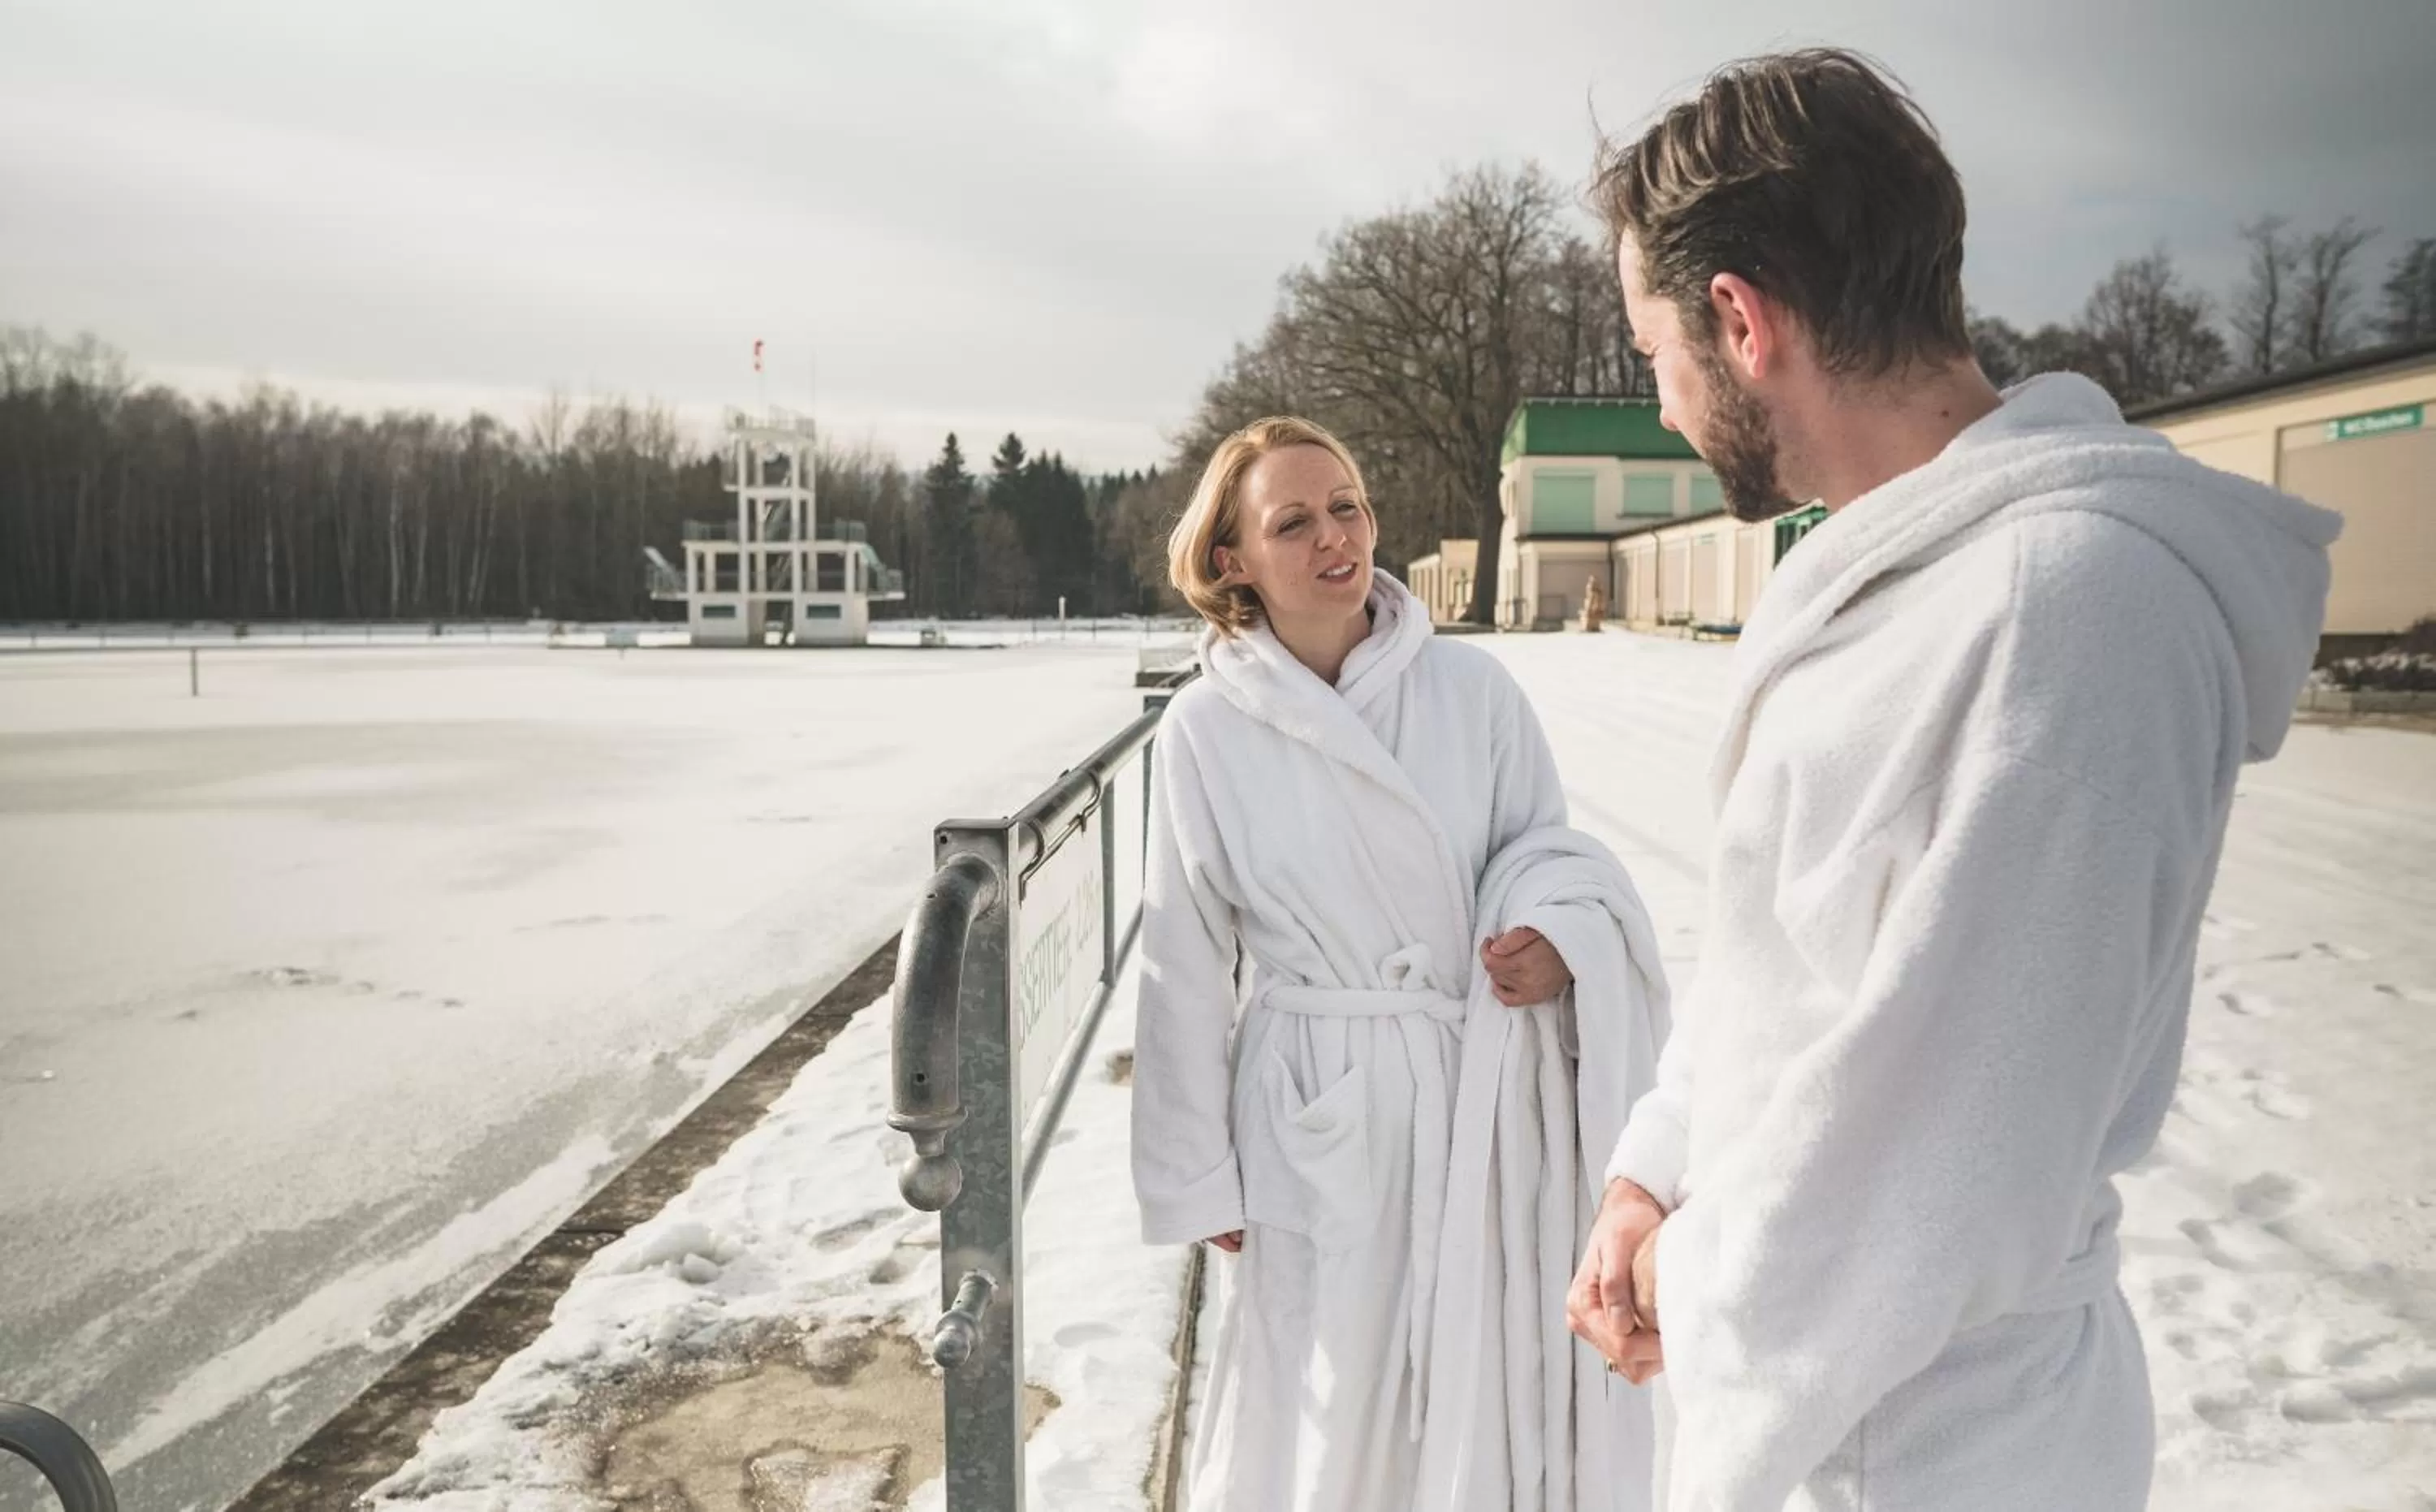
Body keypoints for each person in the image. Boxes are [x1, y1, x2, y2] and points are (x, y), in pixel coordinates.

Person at [1564, 48, 2339, 1512]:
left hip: (1950, 1450)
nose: (1657, 399)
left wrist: (1690, 1271)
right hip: (1831, 1392)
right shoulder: (1899, 571)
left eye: (1650, 347)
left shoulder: (2068, 610)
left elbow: (1948, 1145)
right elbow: (1782, 962)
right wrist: (1652, 1173)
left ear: (1740, 321)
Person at [1133, 416, 1671, 1512]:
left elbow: (1549, 855)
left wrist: (1562, 945)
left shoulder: (1475, 695)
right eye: (1293, 521)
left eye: (1349, 506)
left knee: (1479, 1369)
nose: (1337, 537)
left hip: (1475, 1083)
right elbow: (1183, 955)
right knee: (1324, 1390)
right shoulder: (1204, 730)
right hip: (1312, 1101)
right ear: (1231, 559)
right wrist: (1197, 1168)